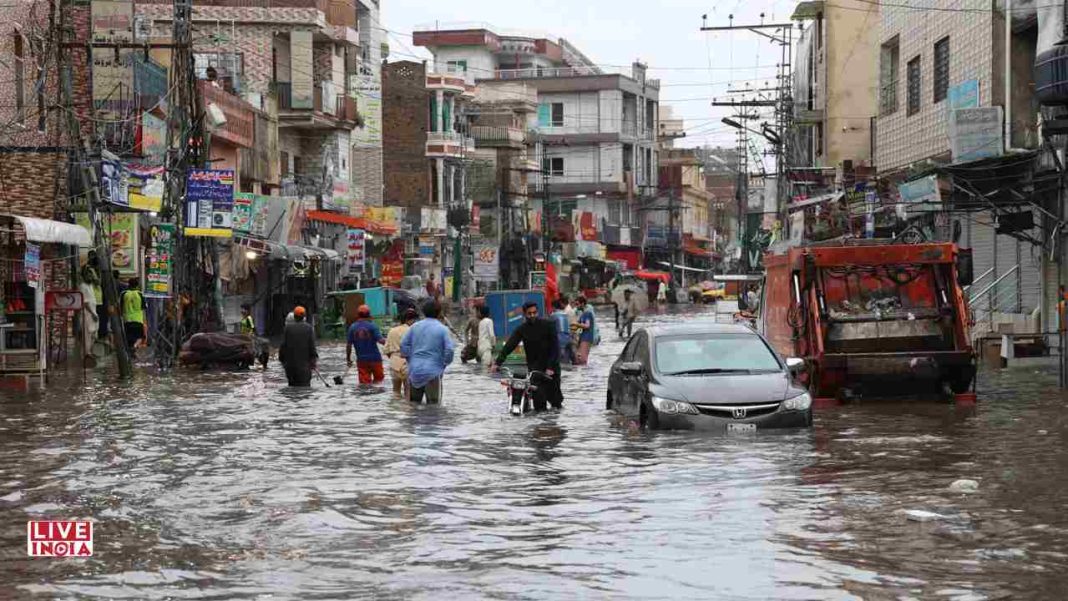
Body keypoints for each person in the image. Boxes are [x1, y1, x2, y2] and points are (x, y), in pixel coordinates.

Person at [491, 301, 563, 410]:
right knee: (539, 402)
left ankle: (552, 424)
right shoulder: (522, 329)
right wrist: (497, 363)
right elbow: (510, 345)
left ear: (537, 312)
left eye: (534, 313)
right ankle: (540, 425)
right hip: (535, 370)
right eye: (529, 313)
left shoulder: (548, 325)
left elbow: (555, 348)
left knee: (556, 402)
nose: (532, 315)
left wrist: (550, 367)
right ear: (525, 314)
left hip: (551, 368)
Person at [401, 299, 455, 403]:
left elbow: (403, 345)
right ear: (439, 312)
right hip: (433, 372)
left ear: (423, 312)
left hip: (415, 371)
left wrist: (410, 360)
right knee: (433, 409)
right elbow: (450, 350)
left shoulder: (414, 327)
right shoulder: (443, 329)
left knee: (414, 406)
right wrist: (444, 364)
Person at [279, 305, 318, 386]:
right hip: (304, 369)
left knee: (292, 388)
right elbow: (312, 348)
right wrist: (313, 362)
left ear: (294, 316)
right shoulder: (309, 328)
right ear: (304, 316)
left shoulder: (287, 329)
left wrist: (282, 361)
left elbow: (283, 347)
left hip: (290, 369)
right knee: (304, 390)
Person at [347, 304, 386, 384]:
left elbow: (349, 345)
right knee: (379, 382)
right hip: (375, 359)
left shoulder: (352, 327)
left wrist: (348, 359)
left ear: (358, 314)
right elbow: (381, 341)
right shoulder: (372, 326)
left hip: (362, 360)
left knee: (365, 384)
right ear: (369, 314)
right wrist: (393, 344)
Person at [384, 309, 417, 398]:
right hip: (408, 362)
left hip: (394, 362)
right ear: (410, 320)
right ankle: (407, 410)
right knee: (408, 391)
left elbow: (386, 350)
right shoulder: (412, 330)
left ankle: (396, 411)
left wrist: (394, 358)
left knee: (396, 391)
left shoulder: (392, 331)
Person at [81, 251, 106, 339]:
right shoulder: (86, 268)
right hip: (90, 298)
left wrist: (94, 273)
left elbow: (98, 282)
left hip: (97, 298)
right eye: (91, 257)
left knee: (96, 323)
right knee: (90, 325)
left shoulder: (97, 268)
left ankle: (96, 340)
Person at [121, 277, 147, 353]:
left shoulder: (124, 294)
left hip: (127, 320)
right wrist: (144, 322)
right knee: (140, 337)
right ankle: (134, 346)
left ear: (128, 285)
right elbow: (143, 308)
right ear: (137, 285)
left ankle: (130, 351)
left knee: (128, 338)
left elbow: (120, 307)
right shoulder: (140, 294)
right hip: (138, 320)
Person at [550, 298, 575, 365]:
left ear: (553, 307)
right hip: (568, 338)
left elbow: (549, 328)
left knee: (561, 362)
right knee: (568, 360)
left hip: (560, 339)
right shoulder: (565, 314)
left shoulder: (553, 315)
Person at [574, 295, 596, 365]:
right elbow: (580, 328)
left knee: (583, 360)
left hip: (586, 338)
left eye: (577, 304)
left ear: (582, 303)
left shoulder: (587, 313)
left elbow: (587, 326)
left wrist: (575, 324)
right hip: (582, 337)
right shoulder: (583, 314)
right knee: (578, 359)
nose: (576, 306)